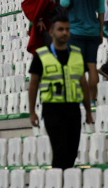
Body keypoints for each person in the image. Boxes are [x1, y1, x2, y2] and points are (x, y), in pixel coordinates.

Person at [28, 10, 93, 170]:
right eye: (60, 29)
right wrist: (32, 112)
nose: (64, 33)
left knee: (71, 153)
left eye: (67, 29)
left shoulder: (77, 54)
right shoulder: (41, 55)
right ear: (51, 32)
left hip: (73, 109)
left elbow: (83, 84)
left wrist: (89, 111)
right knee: (60, 151)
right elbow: (33, 85)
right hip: (52, 110)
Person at [59, 0, 104, 103]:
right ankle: (93, 99)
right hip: (92, 31)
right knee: (92, 65)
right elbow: (102, 11)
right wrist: (100, 32)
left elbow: (64, 3)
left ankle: (81, 99)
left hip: (76, 31)